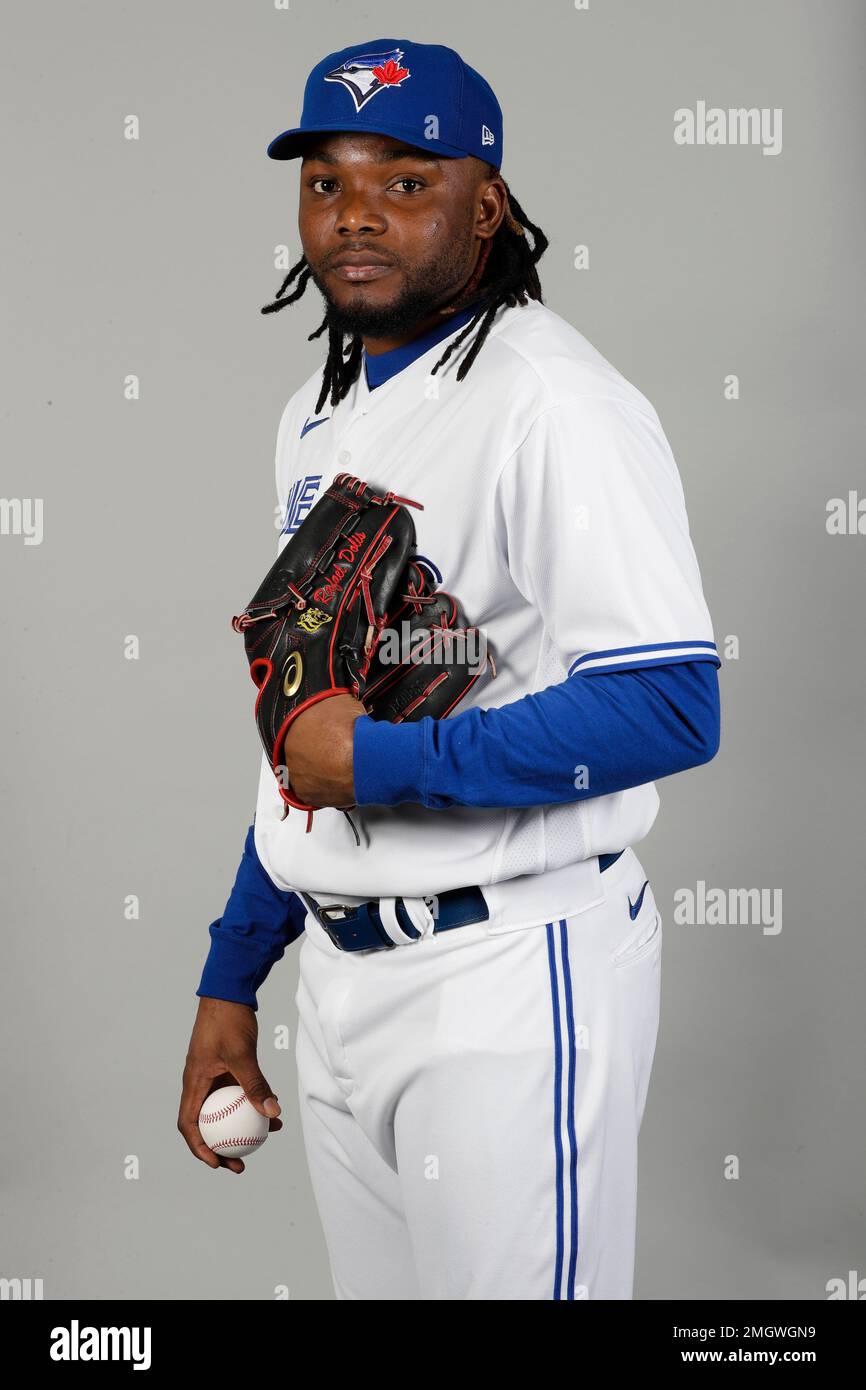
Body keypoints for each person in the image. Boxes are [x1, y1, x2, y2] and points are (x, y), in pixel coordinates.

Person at [178, 38, 721, 1301]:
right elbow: (300, 720)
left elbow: (669, 703)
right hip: (343, 979)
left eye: (406, 180)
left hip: (507, 977)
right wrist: (232, 972)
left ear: (488, 205)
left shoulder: (554, 403)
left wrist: (379, 760)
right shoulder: (318, 411)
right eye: (324, 180)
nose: (355, 212)